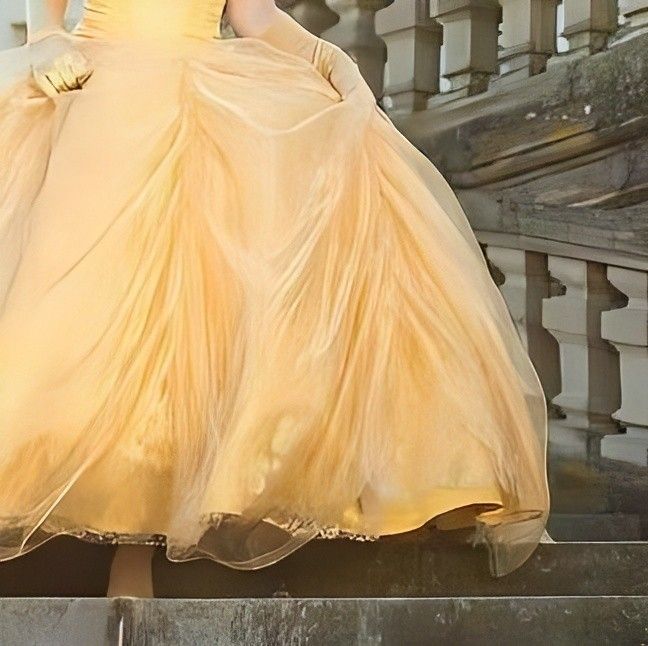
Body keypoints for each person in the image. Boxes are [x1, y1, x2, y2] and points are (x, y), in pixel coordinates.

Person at [0, 0, 551, 597]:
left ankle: (140, 546)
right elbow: (46, 14)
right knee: (89, 311)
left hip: (205, 94)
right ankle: (116, 536)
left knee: (192, 325)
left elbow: (254, 17)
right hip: (103, 92)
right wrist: (46, 38)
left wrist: (320, 54)